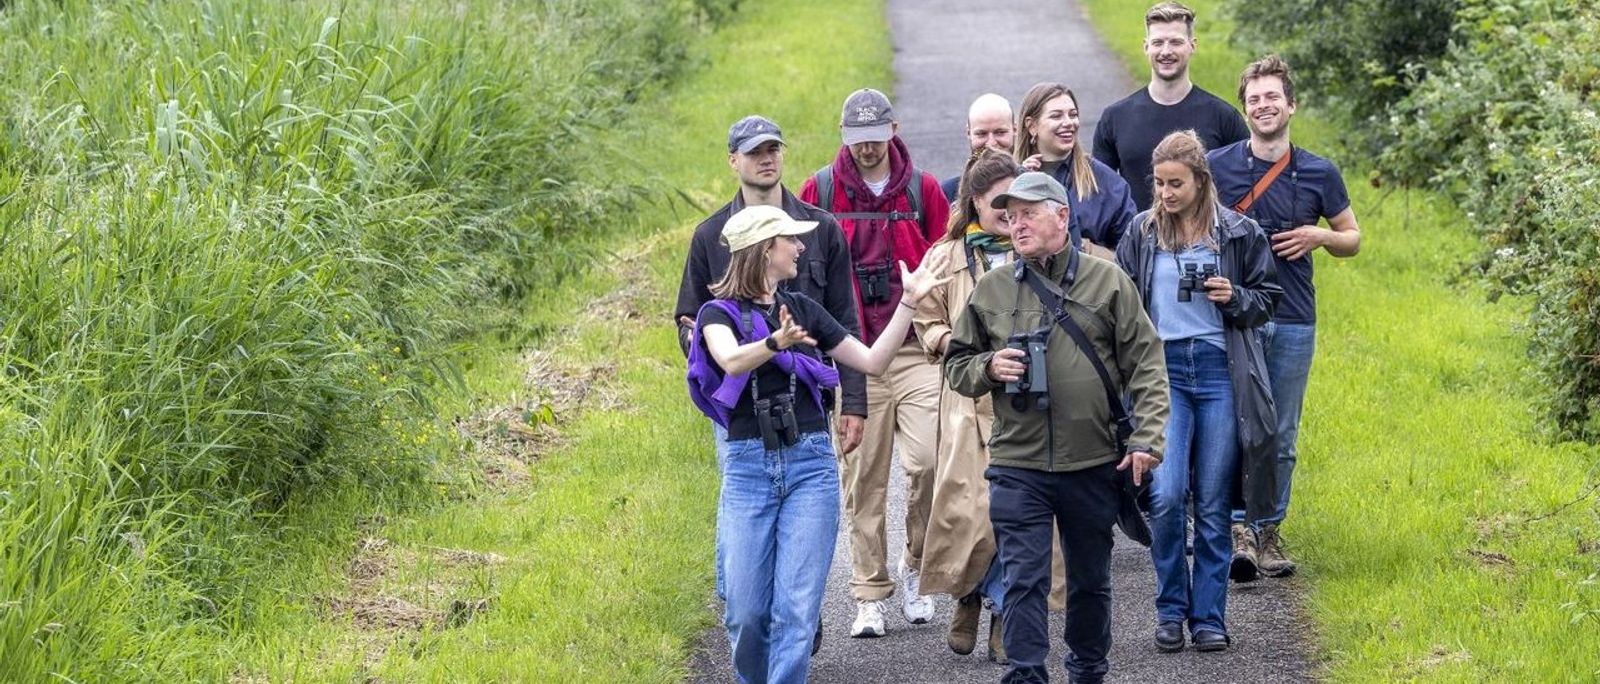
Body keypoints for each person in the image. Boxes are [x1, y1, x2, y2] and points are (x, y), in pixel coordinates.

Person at [686, 205, 952, 684]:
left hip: (810, 465)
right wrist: (776, 344)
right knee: (746, 612)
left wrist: (908, 303)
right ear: (766, 249)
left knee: (796, 610)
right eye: (791, 239)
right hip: (749, 469)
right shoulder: (715, 313)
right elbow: (728, 360)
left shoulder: (803, 308)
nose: (801, 248)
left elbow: (871, 361)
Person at [945, 171, 1170, 684]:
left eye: (1028, 213)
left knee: (1089, 582)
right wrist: (988, 368)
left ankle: (1088, 670)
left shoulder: (1107, 280)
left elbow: (1148, 364)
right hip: (1017, 462)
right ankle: (1026, 674)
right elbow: (957, 365)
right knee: (1024, 580)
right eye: (1010, 215)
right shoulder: (992, 287)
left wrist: (1147, 439)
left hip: (1093, 461)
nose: (1015, 224)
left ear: (1062, 216)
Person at [674, 116, 867, 646]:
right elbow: (689, 317)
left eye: (774, 149)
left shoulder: (818, 228)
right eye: (754, 151)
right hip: (739, 408)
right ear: (733, 160)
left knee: (801, 521)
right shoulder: (711, 235)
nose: (767, 158)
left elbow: (842, 320)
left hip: (806, 401)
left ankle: (795, 613)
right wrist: (712, 356)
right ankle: (746, 610)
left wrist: (854, 399)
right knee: (742, 512)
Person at [1114, 130, 1281, 653]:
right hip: (1161, 373)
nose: (1165, 193)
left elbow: (1267, 300)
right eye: (1159, 183)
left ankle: (1208, 616)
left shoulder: (1238, 232)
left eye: (1176, 184)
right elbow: (1119, 302)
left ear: (1200, 181)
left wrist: (1234, 296)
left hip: (1217, 370)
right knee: (1164, 496)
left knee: (1211, 501)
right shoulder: (1141, 233)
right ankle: (1169, 608)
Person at [800, 88, 951, 637]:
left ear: (894, 129)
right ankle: (869, 593)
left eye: (875, 136)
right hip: (852, 355)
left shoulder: (924, 189)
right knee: (863, 477)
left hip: (914, 348)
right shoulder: (818, 192)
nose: (866, 148)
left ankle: (916, 567)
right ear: (845, 137)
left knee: (931, 460)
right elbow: (798, 268)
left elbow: (947, 260)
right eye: (855, 138)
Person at [1207, 55, 1361, 579]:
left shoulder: (1319, 171)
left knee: (1280, 432)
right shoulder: (1218, 166)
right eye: (1253, 99)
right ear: (1244, 108)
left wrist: (1320, 235)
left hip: (1294, 315)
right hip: (1233, 316)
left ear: (1291, 105)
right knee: (1232, 426)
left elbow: (1352, 238)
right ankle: (1236, 529)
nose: (1263, 106)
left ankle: (1269, 528)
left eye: (1272, 97)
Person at [1092, 2, 1248, 210]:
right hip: (1136, 240)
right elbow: (1099, 196)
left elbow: (1253, 185)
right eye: (1158, 43)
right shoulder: (1114, 118)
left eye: (1175, 42)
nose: (1166, 51)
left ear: (1192, 46)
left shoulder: (1223, 117)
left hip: (1206, 240)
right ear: (1146, 47)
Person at [1013, 82, 1138, 259]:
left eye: (1073, 115)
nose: (1068, 123)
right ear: (1032, 125)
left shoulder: (1106, 183)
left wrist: (1085, 249)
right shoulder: (1009, 179)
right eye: (1056, 116)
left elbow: (1133, 253)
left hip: (1090, 283)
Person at [941, 94, 1016, 201]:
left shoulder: (1035, 186)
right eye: (981, 134)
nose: (991, 144)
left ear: (1015, 130)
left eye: (1000, 132)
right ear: (969, 133)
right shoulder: (948, 193)